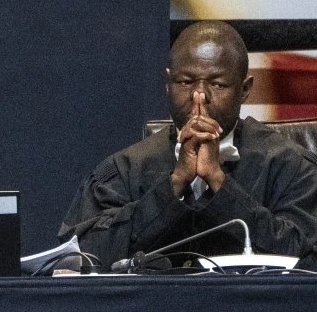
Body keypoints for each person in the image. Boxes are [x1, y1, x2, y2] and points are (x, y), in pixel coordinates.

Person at [61, 21, 317, 267]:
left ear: (245, 89)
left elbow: (306, 261)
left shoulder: (292, 167)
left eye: (218, 84)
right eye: (185, 82)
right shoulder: (124, 169)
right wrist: (174, 183)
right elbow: (82, 259)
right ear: (168, 84)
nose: (200, 96)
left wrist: (219, 181)